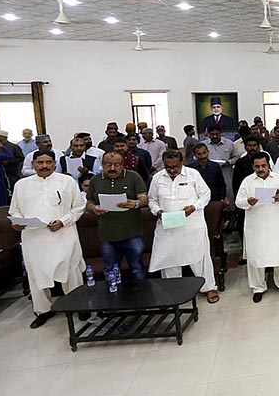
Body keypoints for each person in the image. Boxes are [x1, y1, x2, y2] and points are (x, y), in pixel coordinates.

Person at [9, 150, 86, 328]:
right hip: (34, 238)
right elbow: (15, 210)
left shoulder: (66, 181)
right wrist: (16, 222)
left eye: (48, 162)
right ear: (33, 164)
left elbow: (79, 207)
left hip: (63, 234)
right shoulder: (22, 185)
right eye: (40, 162)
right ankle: (43, 310)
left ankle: (80, 306)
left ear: (55, 163)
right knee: (36, 275)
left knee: (70, 271)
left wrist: (63, 221)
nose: (44, 166)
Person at [148, 150, 219, 304]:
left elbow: (206, 194)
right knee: (169, 259)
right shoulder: (157, 178)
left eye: (175, 167)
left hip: (192, 225)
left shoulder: (193, 174)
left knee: (199, 257)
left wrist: (193, 207)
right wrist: (157, 211)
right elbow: (151, 200)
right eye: (168, 167)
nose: (172, 170)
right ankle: (174, 292)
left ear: (182, 162)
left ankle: (209, 288)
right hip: (167, 226)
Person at [235, 151, 279, 302]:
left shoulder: (278, 178)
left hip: (276, 224)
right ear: (252, 167)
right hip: (256, 227)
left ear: (269, 165)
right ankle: (258, 287)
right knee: (256, 257)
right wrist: (248, 202)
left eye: (263, 165)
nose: (260, 169)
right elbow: (238, 202)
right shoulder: (247, 182)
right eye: (257, 166)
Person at [85, 151, 149, 283]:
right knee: (110, 270)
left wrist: (135, 203)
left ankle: (143, 299)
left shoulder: (133, 177)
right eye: (108, 165)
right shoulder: (95, 180)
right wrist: (94, 208)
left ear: (123, 165)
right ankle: (112, 298)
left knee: (136, 268)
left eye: (117, 165)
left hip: (132, 233)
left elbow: (144, 198)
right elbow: (89, 203)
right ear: (102, 164)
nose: (112, 168)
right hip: (107, 235)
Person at [204, 125, 239, 205]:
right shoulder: (203, 145)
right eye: (212, 134)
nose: (215, 136)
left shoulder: (229, 144)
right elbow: (196, 158)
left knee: (229, 196)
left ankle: (231, 214)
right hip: (210, 176)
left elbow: (236, 157)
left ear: (221, 133)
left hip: (226, 174)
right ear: (208, 134)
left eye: (217, 134)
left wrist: (229, 162)